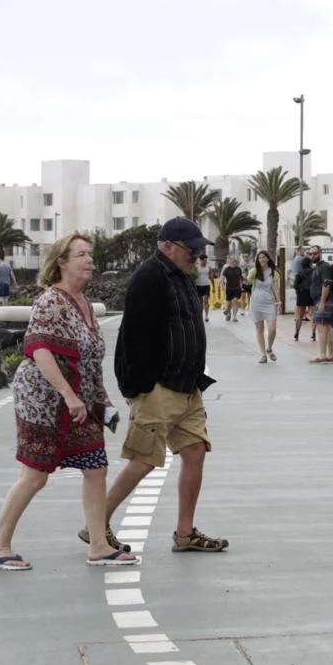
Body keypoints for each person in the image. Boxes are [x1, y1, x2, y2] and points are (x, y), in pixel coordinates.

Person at [0, 233, 138, 570]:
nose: (89, 261)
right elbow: (39, 348)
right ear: (62, 262)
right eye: (81, 254)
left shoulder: (84, 303)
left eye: (91, 255)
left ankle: (98, 545)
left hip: (79, 399)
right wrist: (68, 395)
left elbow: (89, 360)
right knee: (36, 474)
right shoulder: (51, 301)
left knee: (95, 467)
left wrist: (104, 402)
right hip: (43, 399)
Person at [103, 217, 229, 555]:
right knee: (143, 460)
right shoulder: (148, 279)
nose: (196, 256)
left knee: (195, 452)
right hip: (157, 388)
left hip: (188, 387)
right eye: (192, 250)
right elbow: (131, 338)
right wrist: (135, 388)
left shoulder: (181, 278)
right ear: (167, 245)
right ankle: (96, 523)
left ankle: (185, 534)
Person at [308, 254, 333, 363]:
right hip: (322, 300)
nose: (312, 255)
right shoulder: (318, 267)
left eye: (315, 253)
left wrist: (322, 301)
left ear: (320, 254)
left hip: (324, 300)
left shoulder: (324, 267)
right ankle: (330, 355)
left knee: (321, 327)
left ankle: (322, 355)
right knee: (327, 327)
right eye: (311, 253)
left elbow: (326, 284)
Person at [294, 256, 315, 341]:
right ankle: (313, 334)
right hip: (311, 294)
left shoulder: (299, 273)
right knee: (312, 315)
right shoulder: (314, 271)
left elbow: (295, 285)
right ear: (310, 263)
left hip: (302, 294)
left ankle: (297, 333)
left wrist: (299, 289)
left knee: (299, 316)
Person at [221, 256, 243, 322]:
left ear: (236, 263)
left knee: (235, 301)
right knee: (229, 303)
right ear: (229, 262)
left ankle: (235, 317)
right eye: (231, 262)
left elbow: (240, 278)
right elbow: (222, 278)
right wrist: (222, 286)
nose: (233, 263)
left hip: (237, 288)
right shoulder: (226, 269)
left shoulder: (238, 269)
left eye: (234, 262)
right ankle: (228, 313)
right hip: (229, 288)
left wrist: (241, 286)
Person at [194, 253, 212, 323]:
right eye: (204, 260)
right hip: (198, 285)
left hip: (206, 285)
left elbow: (211, 276)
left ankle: (206, 316)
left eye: (206, 260)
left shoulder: (208, 267)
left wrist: (212, 284)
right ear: (200, 260)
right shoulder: (197, 267)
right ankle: (200, 316)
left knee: (206, 301)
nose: (205, 262)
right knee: (200, 302)